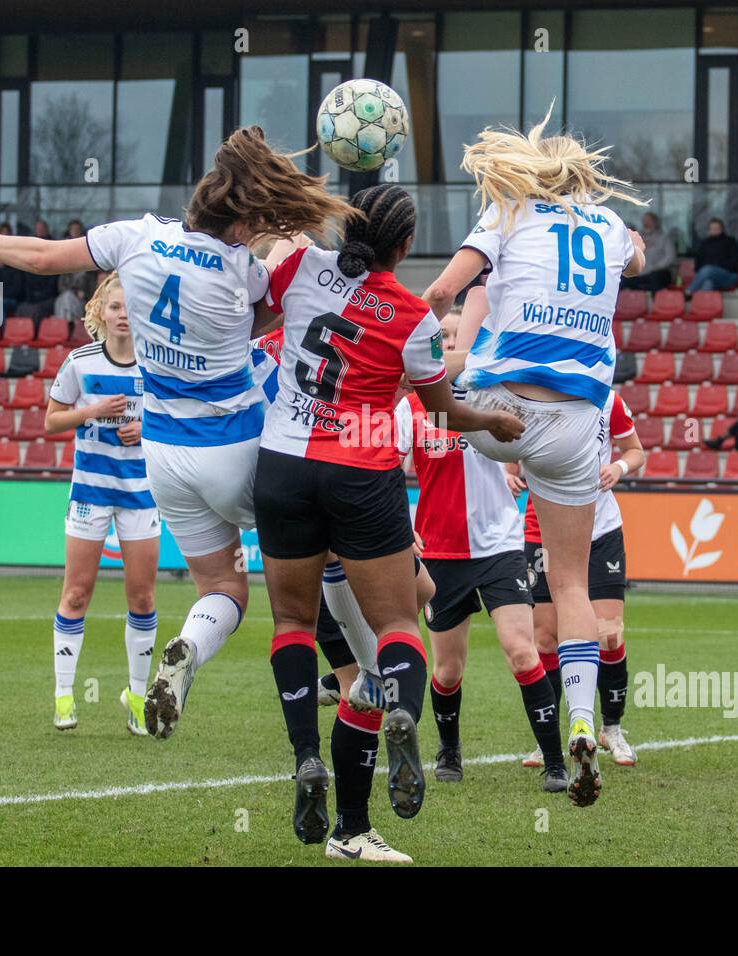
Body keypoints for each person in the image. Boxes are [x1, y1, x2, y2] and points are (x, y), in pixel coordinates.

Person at [0, 126, 363, 757]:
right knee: (324, 554)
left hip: (162, 457)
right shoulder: (240, 272)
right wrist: (284, 240)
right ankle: (369, 683)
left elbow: (46, 257)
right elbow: (279, 307)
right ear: (241, 222)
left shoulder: (136, 236)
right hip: (231, 446)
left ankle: (187, 646)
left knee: (221, 588)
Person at [255, 182, 523, 842]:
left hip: (283, 463)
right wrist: (489, 419)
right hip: (362, 471)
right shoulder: (412, 316)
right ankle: (401, 712)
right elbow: (441, 411)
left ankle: (306, 758)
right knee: (401, 621)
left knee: (292, 620)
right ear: (405, 246)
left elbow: (255, 321)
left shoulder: (297, 268)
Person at [422, 109, 647, 807]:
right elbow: (640, 256)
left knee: (422, 381)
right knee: (571, 585)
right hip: (579, 422)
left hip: (496, 413)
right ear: (584, 180)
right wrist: (621, 236)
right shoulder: (610, 228)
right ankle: (582, 717)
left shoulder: (508, 213)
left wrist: (434, 346)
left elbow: (440, 293)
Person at [394, 377, 568, 793]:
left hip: (500, 548)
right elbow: (385, 468)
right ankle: (449, 751)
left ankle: (555, 761)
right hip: (440, 552)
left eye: (458, 338)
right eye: (445, 339)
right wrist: (401, 524)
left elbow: (532, 445)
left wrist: (516, 466)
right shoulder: (412, 408)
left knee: (523, 653)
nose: (451, 346)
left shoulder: (494, 398)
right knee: (448, 671)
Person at [43, 272, 162, 734]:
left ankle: (136, 695)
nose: (123, 316)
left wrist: (147, 430)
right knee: (76, 593)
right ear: (101, 312)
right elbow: (52, 421)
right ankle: (64, 697)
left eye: (131, 308)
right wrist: (91, 412)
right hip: (90, 491)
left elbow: (178, 422)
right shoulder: (79, 362)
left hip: (140, 491)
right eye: (115, 307)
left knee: (143, 596)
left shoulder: (158, 366)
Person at [521, 387, 646, 770]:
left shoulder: (608, 399)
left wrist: (619, 467)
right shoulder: (530, 391)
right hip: (541, 529)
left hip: (600, 529)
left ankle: (612, 727)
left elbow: (636, 451)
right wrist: (511, 475)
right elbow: (509, 458)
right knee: (545, 637)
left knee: (609, 632)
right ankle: (550, 741)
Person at [620, 212, 675, 293]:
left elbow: (670, 257)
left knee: (657, 278)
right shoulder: (637, 236)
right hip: (638, 271)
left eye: (649, 221)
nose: (646, 223)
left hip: (656, 271)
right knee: (624, 278)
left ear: (655, 223)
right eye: (645, 221)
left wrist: (655, 266)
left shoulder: (663, 237)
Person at [687, 218, 738, 293]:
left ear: (722, 229)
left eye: (717, 228)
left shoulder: (731, 242)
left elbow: (737, 262)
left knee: (708, 270)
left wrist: (715, 268)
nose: (715, 230)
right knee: (707, 284)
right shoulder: (704, 244)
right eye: (712, 228)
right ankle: (705, 304)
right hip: (709, 276)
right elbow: (698, 264)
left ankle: (688, 292)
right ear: (709, 230)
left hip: (728, 276)